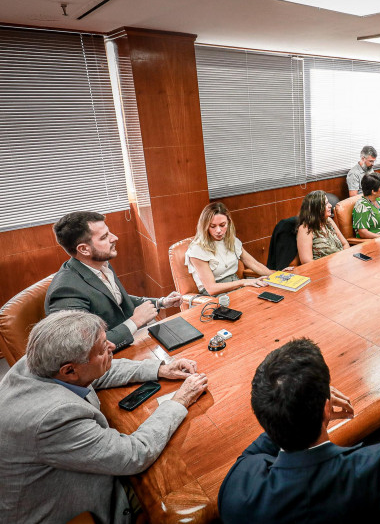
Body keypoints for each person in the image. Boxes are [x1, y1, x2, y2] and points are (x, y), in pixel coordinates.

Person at [217, 338, 380, 524]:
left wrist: (285, 411)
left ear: (263, 418)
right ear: (327, 409)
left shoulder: (238, 493)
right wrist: (309, 406)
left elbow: (248, 457)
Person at [0, 310, 207, 524]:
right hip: (70, 511)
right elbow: (134, 454)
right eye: (102, 349)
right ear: (69, 370)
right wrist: (180, 400)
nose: (113, 346)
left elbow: (96, 372)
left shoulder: (40, 361)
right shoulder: (54, 418)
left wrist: (161, 369)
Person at [46, 211, 182, 349]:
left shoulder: (101, 264)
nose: (115, 238)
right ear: (84, 249)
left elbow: (116, 300)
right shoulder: (65, 291)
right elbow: (83, 348)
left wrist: (161, 302)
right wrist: (136, 321)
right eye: (104, 237)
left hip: (133, 341)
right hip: (110, 357)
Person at [186, 202, 274, 295]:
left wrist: (277, 276)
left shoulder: (232, 240)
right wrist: (243, 282)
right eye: (213, 226)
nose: (218, 230)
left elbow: (254, 264)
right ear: (205, 226)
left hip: (236, 286)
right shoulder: (197, 249)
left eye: (222, 225)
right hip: (216, 294)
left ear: (228, 223)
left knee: (269, 295)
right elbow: (211, 289)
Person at [297, 190, 349, 263]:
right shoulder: (305, 229)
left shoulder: (329, 221)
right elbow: (306, 261)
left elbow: (345, 244)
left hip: (341, 262)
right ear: (316, 208)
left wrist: (344, 259)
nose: (330, 205)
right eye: (326, 204)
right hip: (323, 267)